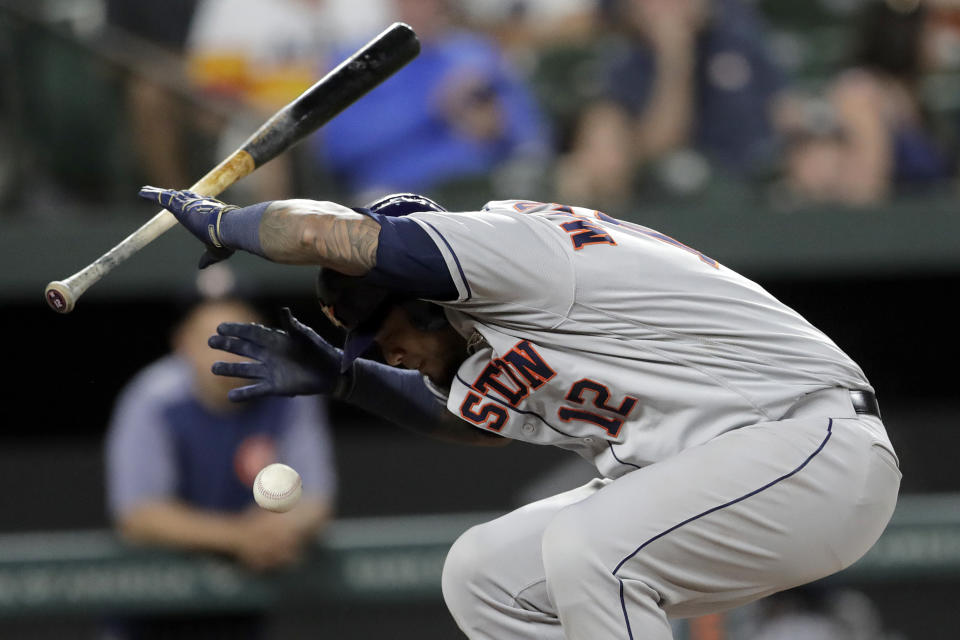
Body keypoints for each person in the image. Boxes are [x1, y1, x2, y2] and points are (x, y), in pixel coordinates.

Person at [136, 185, 901, 640]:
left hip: (813, 445)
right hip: (741, 476)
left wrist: (227, 223)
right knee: (484, 572)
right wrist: (350, 381)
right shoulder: (487, 339)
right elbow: (467, 420)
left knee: (587, 547)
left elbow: (316, 232)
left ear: (428, 298)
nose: (385, 349)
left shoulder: (514, 250)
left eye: (386, 330)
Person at [104, 284, 337, 639]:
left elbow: (316, 500)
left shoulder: (290, 393)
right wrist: (239, 538)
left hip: (241, 604)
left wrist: (284, 528)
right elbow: (138, 516)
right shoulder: (154, 398)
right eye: (214, 339)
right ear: (182, 343)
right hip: (152, 610)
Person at [556, 0, 787, 210]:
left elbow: (783, 112)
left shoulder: (738, 41)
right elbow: (659, 148)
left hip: (757, 181)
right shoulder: (626, 64)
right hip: (673, 197)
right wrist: (675, 57)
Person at [312, 0, 551, 202]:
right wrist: (434, 108)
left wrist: (500, 128)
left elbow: (534, 138)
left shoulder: (474, 52)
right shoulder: (360, 59)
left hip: (482, 191)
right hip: (397, 196)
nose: (422, 6)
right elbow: (336, 151)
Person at [778, 0, 954, 206]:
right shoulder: (861, 91)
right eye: (933, 29)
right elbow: (865, 189)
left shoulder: (914, 96)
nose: (942, 38)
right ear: (906, 35)